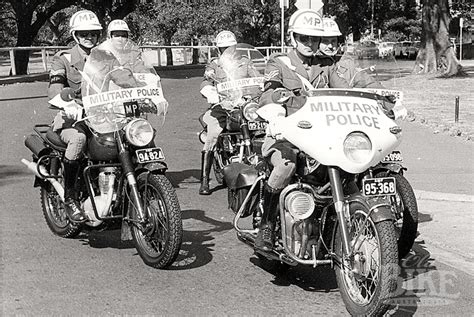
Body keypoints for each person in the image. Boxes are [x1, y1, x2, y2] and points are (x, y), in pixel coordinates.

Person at [255, 9, 351, 251]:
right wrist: (275, 102)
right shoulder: (279, 63)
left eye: (314, 39)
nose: (310, 44)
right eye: (303, 38)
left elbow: (345, 90)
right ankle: (266, 225)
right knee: (285, 166)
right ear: (292, 38)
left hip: (322, 135)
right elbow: (269, 89)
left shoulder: (327, 65)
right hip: (286, 134)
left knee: (351, 166)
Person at [48, 9, 103, 223]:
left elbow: (124, 79)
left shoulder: (106, 57)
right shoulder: (63, 59)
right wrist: (66, 102)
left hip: (103, 117)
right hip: (74, 118)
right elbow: (54, 88)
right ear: (75, 35)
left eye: (93, 34)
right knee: (78, 140)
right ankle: (70, 197)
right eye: (83, 34)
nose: (88, 38)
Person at [198, 30, 261, 195]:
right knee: (212, 134)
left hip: (245, 103)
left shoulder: (245, 62)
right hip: (223, 105)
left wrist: (260, 88)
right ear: (218, 49)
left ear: (235, 47)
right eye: (223, 48)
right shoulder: (214, 64)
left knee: (264, 127)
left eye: (230, 47)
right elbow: (206, 79)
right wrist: (208, 90)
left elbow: (257, 78)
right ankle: (204, 180)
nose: (227, 51)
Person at [318, 17, 382, 88]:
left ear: (338, 42)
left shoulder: (347, 63)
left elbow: (367, 82)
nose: (330, 46)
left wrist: (387, 94)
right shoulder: (312, 64)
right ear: (317, 42)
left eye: (333, 41)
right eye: (325, 41)